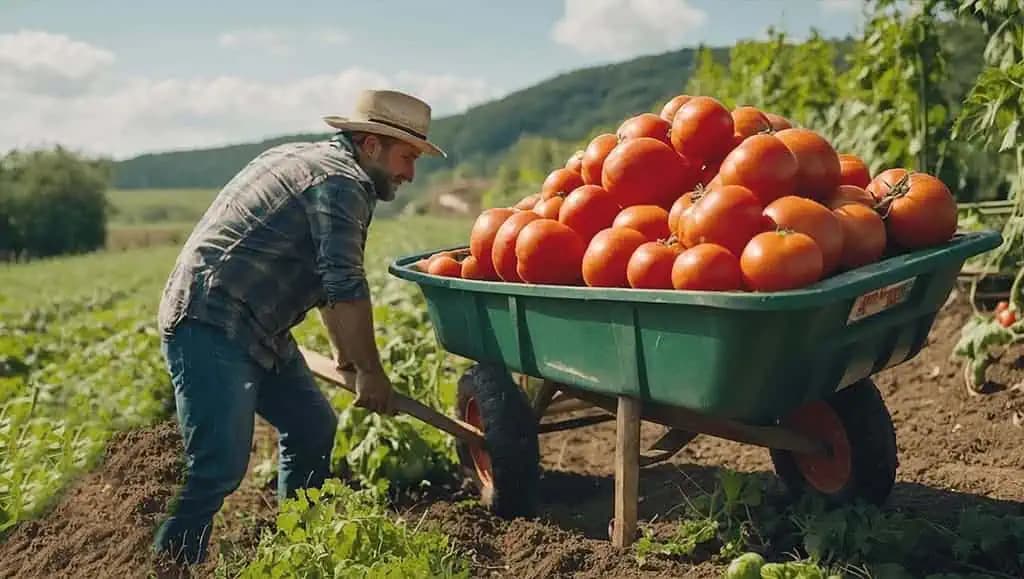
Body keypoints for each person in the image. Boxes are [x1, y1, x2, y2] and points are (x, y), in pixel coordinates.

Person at [152, 89, 446, 564]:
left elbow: (327, 278)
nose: (410, 174)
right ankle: (166, 566)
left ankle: (298, 550)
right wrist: (371, 373)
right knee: (218, 466)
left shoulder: (307, 158)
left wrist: (348, 356)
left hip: (258, 324)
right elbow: (346, 283)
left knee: (312, 427)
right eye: (406, 157)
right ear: (371, 144)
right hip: (212, 320)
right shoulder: (342, 182)